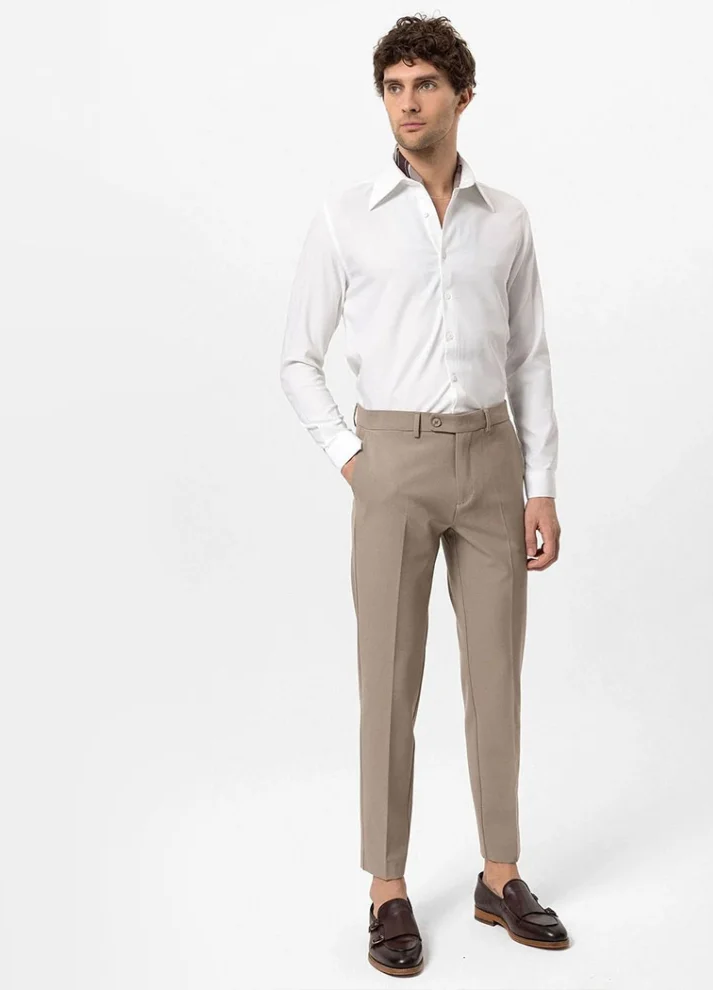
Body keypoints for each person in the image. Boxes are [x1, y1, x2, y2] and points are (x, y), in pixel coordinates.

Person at [279, 13, 568, 975]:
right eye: (394, 87)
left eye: (426, 85)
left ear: (462, 97)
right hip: (391, 465)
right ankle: (387, 888)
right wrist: (354, 460)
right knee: (389, 683)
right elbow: (296, 359)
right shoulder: (345, 217)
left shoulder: (507, 220)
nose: (408, 103)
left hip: (491, 459)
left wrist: (540, 485)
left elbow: (529, 359)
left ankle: (500, 875)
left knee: (497, 680)